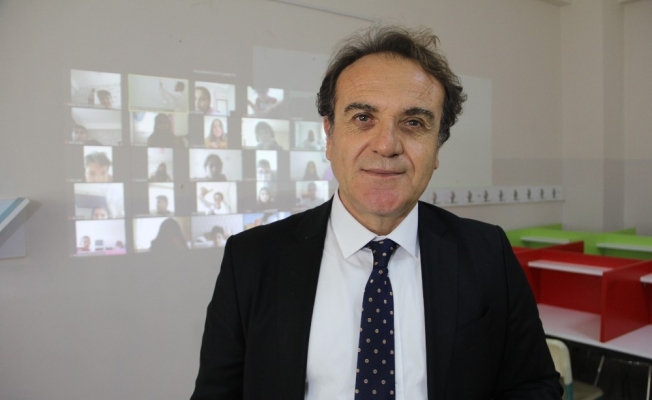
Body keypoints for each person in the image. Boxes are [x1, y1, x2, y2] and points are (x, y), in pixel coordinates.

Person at [191, 25, 561, 400]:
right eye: (363, 118)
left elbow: (535, 385)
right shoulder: (252, 259)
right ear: (329, 135)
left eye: (413, 123)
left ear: (437, 148)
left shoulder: (488, 252)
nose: (386, 145)